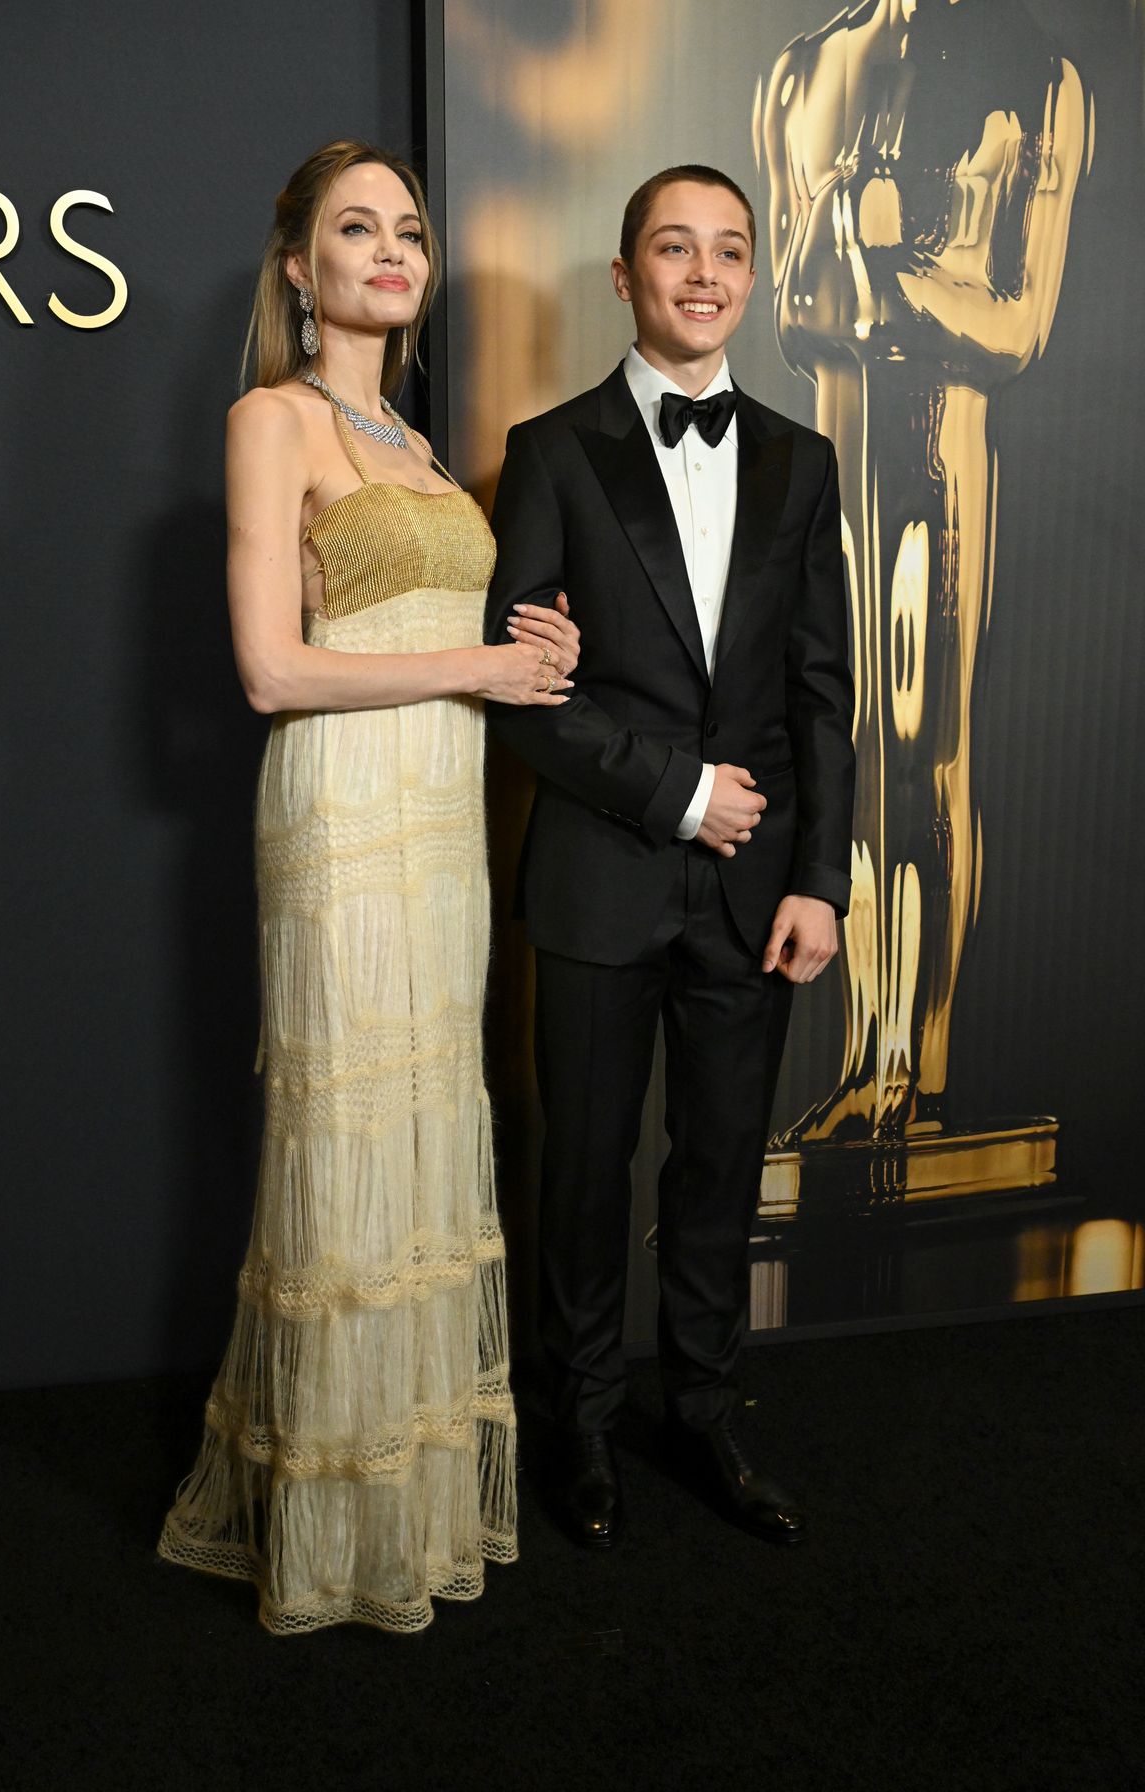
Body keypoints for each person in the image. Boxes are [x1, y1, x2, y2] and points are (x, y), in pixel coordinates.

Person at [157, 139, 580, 1635]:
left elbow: (426, 620)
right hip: (342, 814)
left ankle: (411, 1500)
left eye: (408, 228)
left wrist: (536, 652)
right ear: (300, 265)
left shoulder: (409, 438)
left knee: (424, 1126)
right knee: (349, 1133)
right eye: (357, 228)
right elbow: (270, 670)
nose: (392, 250)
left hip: (443, 816)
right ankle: (336, 1541)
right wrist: (484, 664)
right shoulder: (272, 419)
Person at [484, 164, 854, 1549]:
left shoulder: (805, 461)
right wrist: (680, 792)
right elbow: (526, 686)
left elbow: (826, 690)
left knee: (719, 1167)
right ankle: (577, 1424)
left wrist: (821, 877)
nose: (705, 274)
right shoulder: (552, 449)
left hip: (760, 894)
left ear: (751, 277)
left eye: (732, 252)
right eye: (675, 249)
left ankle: (700, 1411)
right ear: (627, 275)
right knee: (583, 1170)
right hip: (599, 874)